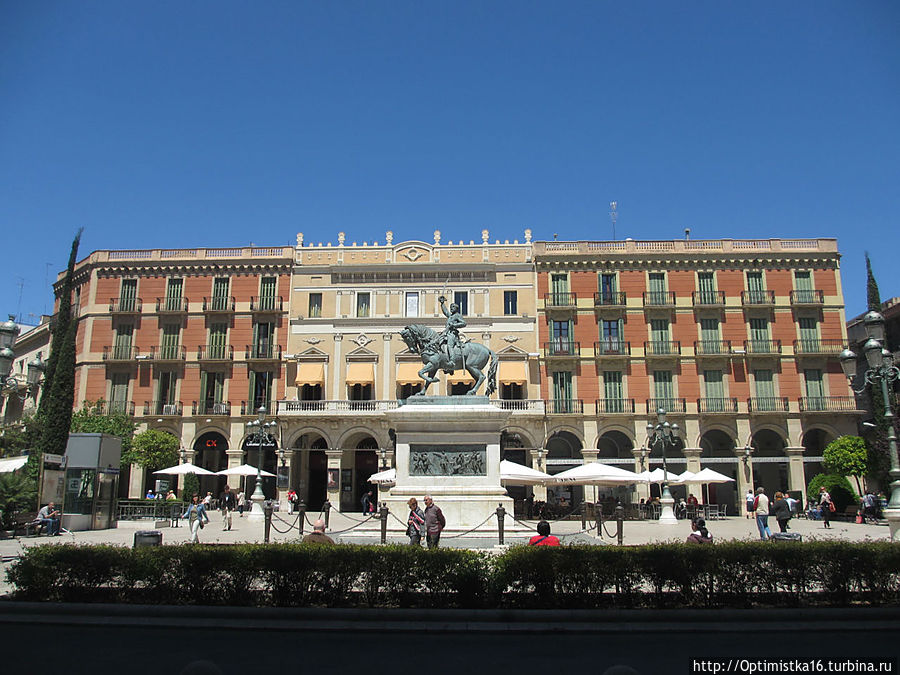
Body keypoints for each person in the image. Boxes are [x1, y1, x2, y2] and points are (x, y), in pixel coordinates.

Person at [438, 295, 467, 365]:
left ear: (456, 308)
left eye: (453, 307)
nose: (451, 308)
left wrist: (454, 325)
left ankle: (452, 361)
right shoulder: (451, 316)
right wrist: (442, 303)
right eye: (450, 307)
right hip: (446, 333)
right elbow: (445, 311)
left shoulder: (457, 315)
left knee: (449, 346)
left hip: (452, 334)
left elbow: (464, 323)